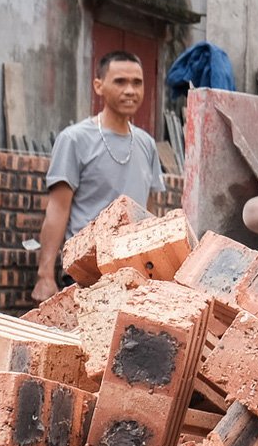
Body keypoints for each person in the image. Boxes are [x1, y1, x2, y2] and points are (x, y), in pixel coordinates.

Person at [32, 51, 165, 302]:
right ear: (98, 86)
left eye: (137, 83)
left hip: (134, 274)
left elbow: (148, 212)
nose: (130, 90)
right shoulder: (74, 139)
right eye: (120, 82)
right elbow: (57, 209)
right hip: (86, 273)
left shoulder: (147, 144)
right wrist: (45, 274)